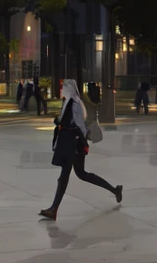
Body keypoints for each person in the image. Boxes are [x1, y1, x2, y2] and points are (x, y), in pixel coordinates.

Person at [39, 80, 121, 220]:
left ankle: (54, 209)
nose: (62, 90)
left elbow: (80, 125)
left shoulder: (75, 103)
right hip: (70, 143)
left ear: (69, 89)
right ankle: (115, 190)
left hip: (73, 143)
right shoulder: (69, 101)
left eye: (64, 87)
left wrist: (79, 141)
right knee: (81, 174)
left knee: (65, 175)